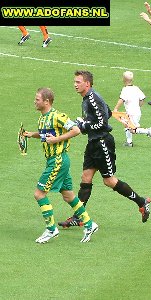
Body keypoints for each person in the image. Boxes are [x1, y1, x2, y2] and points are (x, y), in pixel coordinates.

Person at [58, 70, 151, 228]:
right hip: (93, 142)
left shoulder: (93, 99)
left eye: (78, 82)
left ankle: (142, 202)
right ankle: (79, 217)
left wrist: (83, 125)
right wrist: (85, 122)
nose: (75, 84)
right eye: (75, 82)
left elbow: (102, 123)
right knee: (86, 177)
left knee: (109, 180)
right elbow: (107, 112)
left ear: (87, 83)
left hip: (102, 143)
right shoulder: (87, 98)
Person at [23, 87, 98, 243]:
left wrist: (57, 140)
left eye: (37, 99)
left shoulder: (58, 117)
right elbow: (46, 135)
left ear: (47, 101)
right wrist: (31, 134)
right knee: (68, 195)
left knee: (39, 194)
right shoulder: (42, 118)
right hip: (55, 160)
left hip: (57, 160)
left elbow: (76, 130)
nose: (34, 102)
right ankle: (89, 224)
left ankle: (51, 229)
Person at [113, 71, 151, 147]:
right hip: (136, 111)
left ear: (123, 79)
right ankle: (129, 142)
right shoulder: (136, 88)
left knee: (132, 129)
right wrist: (138, 106)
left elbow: (121, 100)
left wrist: (116, 109)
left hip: (132, 113)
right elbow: (142, 99)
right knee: (126, 125)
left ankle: (147, 131)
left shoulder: (125, 90)